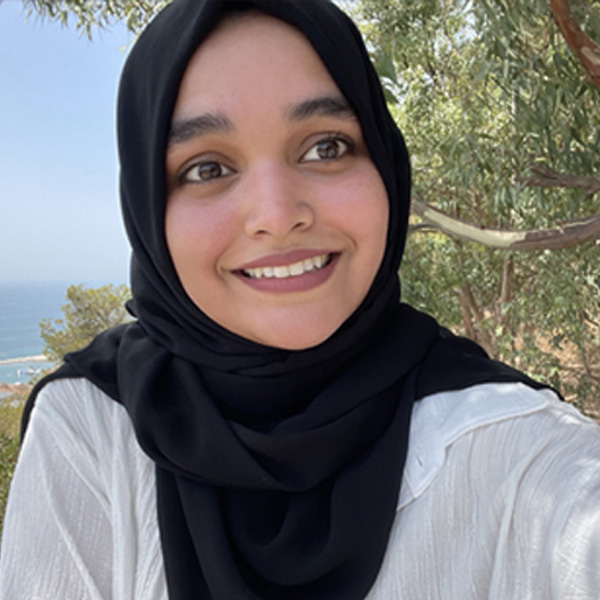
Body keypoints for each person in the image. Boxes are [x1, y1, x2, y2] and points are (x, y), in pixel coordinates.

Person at [1, 0, 599, 598]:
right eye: (207, 169)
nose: (277, 214)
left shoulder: (515, 447)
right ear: (147, 207)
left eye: (326, 147)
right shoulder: (88, 428)